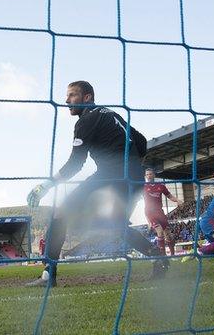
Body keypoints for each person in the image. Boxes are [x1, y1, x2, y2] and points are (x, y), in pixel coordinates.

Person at [26, 80, 168, 287]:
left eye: (72, 95)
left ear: (87, 97)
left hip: (111, 174)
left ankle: (49, 274)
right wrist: (132, 162)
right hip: (135, 177)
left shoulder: (86, 120)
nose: (67, 100)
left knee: (60, 214)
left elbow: (76, 163)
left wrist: (45, 186)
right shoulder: (111, 114)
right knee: (118, 226)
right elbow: (141, 141)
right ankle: (158, 258)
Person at [143, 168, 183, 256]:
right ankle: (162, 256)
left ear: (154, 175)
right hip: (150, 213)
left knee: (168, 235)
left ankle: (172, 255)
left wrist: (177, 200)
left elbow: (170, 196)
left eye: (150, 174)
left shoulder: (161, 186)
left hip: (160, 213)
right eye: (147, 174)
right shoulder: (142, 186)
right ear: (145, 176)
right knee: (159, 231)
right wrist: (148, 221)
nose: (149, 176)